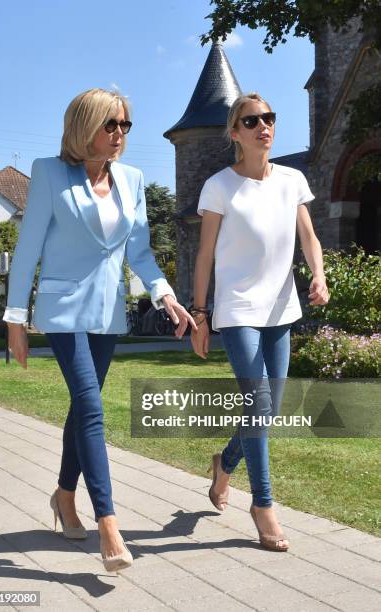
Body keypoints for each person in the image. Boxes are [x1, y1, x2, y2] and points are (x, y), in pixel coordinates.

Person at [3, 88, 196, 572]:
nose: (119, 135)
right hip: (62, 307)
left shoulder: (132, 180)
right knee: (91, 406)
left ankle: (64, 496)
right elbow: (27, 252)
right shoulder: (50, 173)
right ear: (83, 126)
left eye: (125, 126)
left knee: (80, 407)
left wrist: (166, 295)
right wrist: (14, 320)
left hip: (108, 312)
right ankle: (108, 522)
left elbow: (141, 254)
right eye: (110, 125)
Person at [190, 93, 329, 552]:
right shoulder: (219, 187)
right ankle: (263, 504)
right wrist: (200, 313)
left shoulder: (292, 180)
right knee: (259, 404)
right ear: (235, 133)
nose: (263, 126)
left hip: (280, 310)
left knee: (267, 410)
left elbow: (307, 235)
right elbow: (204, 254)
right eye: (251, 121)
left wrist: (319, 276)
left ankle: (224, 464)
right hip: (238, 313)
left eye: (268, 118)